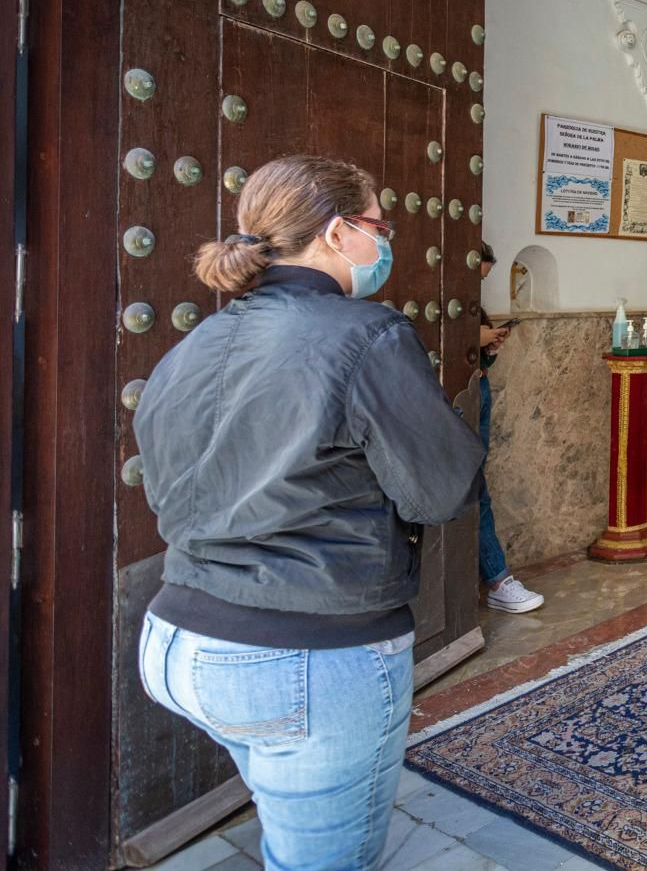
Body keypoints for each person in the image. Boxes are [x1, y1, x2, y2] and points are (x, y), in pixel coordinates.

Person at [133, 155, 486, 869]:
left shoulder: (194, 343)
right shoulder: (367, 335)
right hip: (303, 651)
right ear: (336, 233)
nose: (386, 243)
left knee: (282, 804)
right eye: (380, 226)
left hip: (175, 639)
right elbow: (441, 490)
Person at [476, 243, 544, 612]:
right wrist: (475, 339)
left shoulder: (472, 307)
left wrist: (489, 346)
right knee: (474, 489)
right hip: (457, 402)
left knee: (476, 485)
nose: (478, 284)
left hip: (477, 391)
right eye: (478, 274)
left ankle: (497, 578)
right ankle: (498, 579)